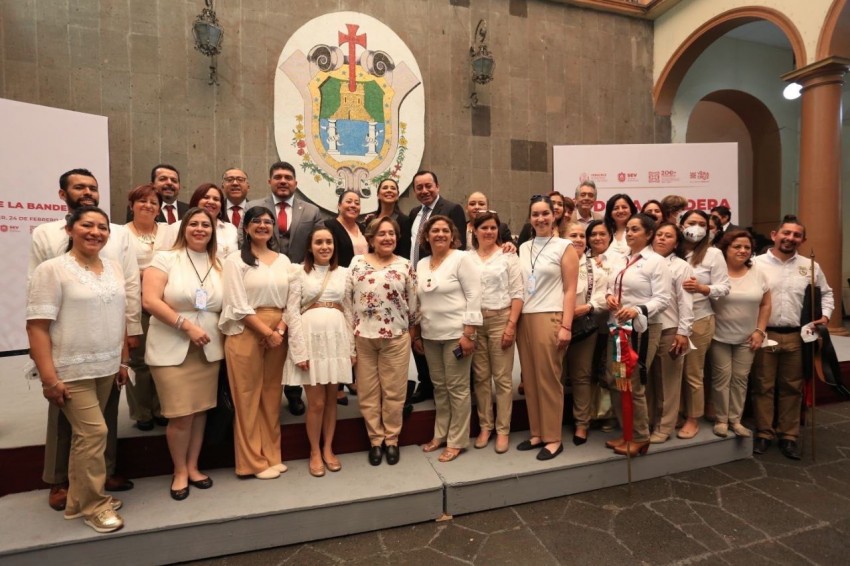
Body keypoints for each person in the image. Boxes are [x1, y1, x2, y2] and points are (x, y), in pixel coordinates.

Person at [29, 168, 139, 511]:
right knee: (83, 429)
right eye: (80, 187)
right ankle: (69, 487)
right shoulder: (48, 251)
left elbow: (126, 295)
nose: (95, 233)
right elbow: (37, 318)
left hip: (107, 357)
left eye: (101, 227)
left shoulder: (115, 253)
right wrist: (47, 374)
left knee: (100, 426)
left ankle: (93, 482)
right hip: (69, 356)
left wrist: (125, 354)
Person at [143, 207, 224, 500]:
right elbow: (150, 301)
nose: (200, 229)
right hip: (171, 345)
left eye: (206, 225)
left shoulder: (219, 263)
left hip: (208, 348)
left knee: (200, 411)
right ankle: (179, 471)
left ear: (213, 232)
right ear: (183, 228)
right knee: (180, 415)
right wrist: (186, 326)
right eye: (194, 224)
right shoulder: (165, 258)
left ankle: (192, 466)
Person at [246, 161, 325, 416]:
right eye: (278, 177)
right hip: (265, 280)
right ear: (269, 181)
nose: (283, 181)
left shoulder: (311, 211)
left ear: (295, 183)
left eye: (288, 177)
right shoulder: (253, 207)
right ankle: (262, 397)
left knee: (295, 336)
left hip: (301, 281)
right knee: (269, 342)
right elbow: (243, 243)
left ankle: (293, 393)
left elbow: (318, 243)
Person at [219, 206, 292, 479]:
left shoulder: (284, 260)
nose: (263, 225)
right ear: (246, 228)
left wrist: (280, 330)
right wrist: (267, 333)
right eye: (257, 221)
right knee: (247, 396)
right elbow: (237, 304)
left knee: (271, 395)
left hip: (278, 332)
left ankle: (272, 455)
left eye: (268, 221)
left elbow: (292, 300)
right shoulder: (235, 260)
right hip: (246, 330)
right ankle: (252, 462)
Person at [752, 215, 833, 460]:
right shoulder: (755, 263)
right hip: (765, 334)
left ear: (803, 240)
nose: (790, 238)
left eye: (796, 235)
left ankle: (788, 436)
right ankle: (764, 433)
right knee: (763, 386)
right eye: (786, 233)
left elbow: (827, 294)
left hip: (797, 337)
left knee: (792, 387)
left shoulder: (810, 266)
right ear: (774, 235)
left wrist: (825, 316)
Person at [284, 227, 355, 477]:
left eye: (329, 242)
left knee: (332, 400)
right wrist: (298, 350)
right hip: (310, 340)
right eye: (319, 242)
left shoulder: (344, 274)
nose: (324, 247)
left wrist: (351, 348)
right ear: (310, 247)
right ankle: (314, 451)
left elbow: (349, 311)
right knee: (316, 403)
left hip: (336, 340)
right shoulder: (298, 273)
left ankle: (328, 448)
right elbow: (292, 312)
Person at [349, 217, 417, 466]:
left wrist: (411, 332)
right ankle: (375, 440)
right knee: (367, 392)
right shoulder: (356, 263)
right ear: (371, 238)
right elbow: (347, 300)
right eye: (381, 234)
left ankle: (392, 440)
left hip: (396, 337)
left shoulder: (405, 265)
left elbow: (414, 303)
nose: (387, 238)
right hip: (363, 337)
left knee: (394, 392)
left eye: (391, 233)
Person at [415, 215, 482, 463]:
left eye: (445, 230)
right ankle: (440, 434)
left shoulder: (461, 259)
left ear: (453, 235)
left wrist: (469, 333)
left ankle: (456, 441)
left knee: (457, 388)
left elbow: (474, 295)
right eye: (435, 230)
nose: (440, 234)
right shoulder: (422, 264)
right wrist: (417, 332)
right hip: (430, 335)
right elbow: (418, 300)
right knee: (440, 388)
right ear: (427, 236)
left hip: (457, 335)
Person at [516, 195, 578, 461]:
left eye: (545, 213)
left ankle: (553, 438)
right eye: (535, 214)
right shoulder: (523, 247)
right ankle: (537, 433)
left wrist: (566, 325)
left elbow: (570, 289)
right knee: (530, 380)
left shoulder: (565, 247)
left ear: (554, 216)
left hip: (550, 316)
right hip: (525, 319)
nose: (540, 218)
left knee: (549, 380)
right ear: (530, 218)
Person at [604, 214, 671, 456]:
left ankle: (641, 437)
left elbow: (663, 299)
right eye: (628, 229)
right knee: (617, 381)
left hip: (642, 329)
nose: (630, 233)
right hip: (617, 328)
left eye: (635, 229)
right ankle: (627, 433)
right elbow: (610, 287)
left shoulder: (656, 262)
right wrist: (609, 297)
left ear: (649, 234)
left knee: (633, 384)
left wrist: (638, 309)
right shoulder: (622, 259)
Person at [408, 171, 467, 404]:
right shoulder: (414, 213)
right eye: (419, 187)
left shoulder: (452, 209)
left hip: (443, 280)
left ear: (437, 186)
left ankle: (446, 385)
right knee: (421, 333)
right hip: (418, 277)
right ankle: (426, 381)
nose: (424, 191)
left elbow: (458, 245)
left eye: (428, 186)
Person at [469, 212, 523, 454]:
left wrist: (511, 325)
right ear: (475, 230)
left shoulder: (508, 256)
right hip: (475, 322)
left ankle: (503, 430)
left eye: (493, 228)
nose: (489, 232)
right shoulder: (466, 258)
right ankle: (485, 427)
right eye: (484, 228)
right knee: (481, 378)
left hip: (501, 319)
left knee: (502, 379)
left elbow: (518, 293)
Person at [711, 229, 770, 438]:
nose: (742, 250)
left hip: (748, 337)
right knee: (721, 378)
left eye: (747, 247)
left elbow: (766, 304)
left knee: (740, 379)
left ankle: (735, 420)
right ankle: (721, 419)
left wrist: (760, 331)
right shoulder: (716, 273)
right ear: (725, 249)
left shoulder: (758, 272)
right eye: (737, 246)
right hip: (718, 336)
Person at [678, 210, 730, 439]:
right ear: (681, 225)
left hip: (699, 319)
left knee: (693, 372)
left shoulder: (713, 254)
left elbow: (724, 287)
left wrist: (702, 288)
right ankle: (677, 412)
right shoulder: (673, 250)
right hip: (672, 320)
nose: (696, 228)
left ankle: (693, 418)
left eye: (702, 224)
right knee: (673, 372)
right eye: (692, 222)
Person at [124, 184, 170, 432]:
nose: (148, 206)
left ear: (160, 208)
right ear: (131, 205)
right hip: (135, 303)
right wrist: (152, 275)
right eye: (142, 201)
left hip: (166, 304)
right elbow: (119, 269)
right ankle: (142, 412)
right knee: (139, 361)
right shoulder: (121, 234)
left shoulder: (168, 231)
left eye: (154, 202)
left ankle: (161, 407)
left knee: (163, 359)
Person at [648, 222, 694, 443]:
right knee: (647, 380)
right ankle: (649, 422)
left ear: (676, 243)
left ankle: (664, 427)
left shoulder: (681, 267)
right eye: (659, 234)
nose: (662, 239)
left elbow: (686, 302)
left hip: (670, 328)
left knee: (668, 382)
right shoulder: (643, 261)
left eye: (668, 236)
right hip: (645, 328)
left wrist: (683, 332)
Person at [563, 221, 607, 445]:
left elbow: (602, 297)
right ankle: (551, 422)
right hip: (555, 325)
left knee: (581, 376)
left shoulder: (595, 267)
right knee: (555, 376)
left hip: (584, 327)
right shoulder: (553, 264)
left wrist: (587, 307)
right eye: (573, 235)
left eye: (582, 236)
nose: (579, 239)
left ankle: (582, 423)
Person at [324, 190, 367, 404]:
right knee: (341, 334)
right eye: (348, 201)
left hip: (362, 289)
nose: (353, 205)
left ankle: (350, 378)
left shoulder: (363, 228)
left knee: (356, 333)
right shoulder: (330, 226)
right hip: (339, 286)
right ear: (339, 205)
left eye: (357, 202)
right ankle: (338, 385)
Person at [182, 183, 239, 260]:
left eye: (216, 199)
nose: (211, 202)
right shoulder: (180, 226)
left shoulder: (231, 228)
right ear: (196, 201)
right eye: (206, 197)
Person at [362, 178, 410, 258]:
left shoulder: (405, 221)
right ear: (378, 195)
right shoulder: (370, 220)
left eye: (393, 188)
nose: (389, 190)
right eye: (385, 188)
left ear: (397, 195)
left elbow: (405, 252)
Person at [222, 168, 251, 243]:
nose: (235, 183)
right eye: (229, 180)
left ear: (248, 186)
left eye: (240, 179)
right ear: (223, 186)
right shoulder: (216, 211)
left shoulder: (255, 210)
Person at [604, 193, 638, 258]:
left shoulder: (639, 231)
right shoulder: (604, 231)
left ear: (631, 210)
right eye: (616, 208)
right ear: (610, 213)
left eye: (624, 207)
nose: (620, 211)